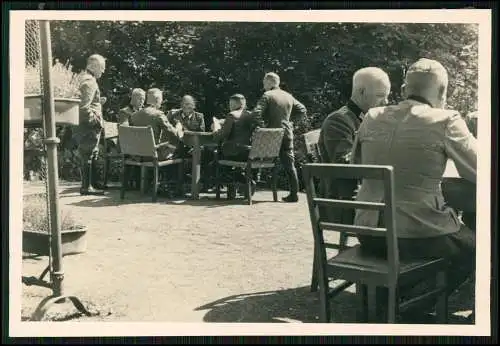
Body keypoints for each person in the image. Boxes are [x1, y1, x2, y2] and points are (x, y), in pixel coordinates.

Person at [351, 58, 477, 319]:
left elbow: (357, 166)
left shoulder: (372, 116)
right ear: (442, 92)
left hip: (369, 232)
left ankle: (391, 295)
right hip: (415, 239)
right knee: (474, 249)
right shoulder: (446, 119)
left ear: (405, 89)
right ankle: (409, 308)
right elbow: (481, 172)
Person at [318, 67, 391, 223]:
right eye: (380, 96)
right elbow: (346, 164)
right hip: (343, 202)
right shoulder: (338, 120)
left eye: (387, 96)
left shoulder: (370, 120)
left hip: (364, 197)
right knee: (408, 216)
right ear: (361, 92)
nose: (386, 102)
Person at [251, 72, 307, 202]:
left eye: (264, 82)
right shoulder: (288, 96)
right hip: (286, 133)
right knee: (289, 164)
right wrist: (291, 122)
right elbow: (302, 110)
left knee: (253, 157)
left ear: (269, 82)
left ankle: (250, 187)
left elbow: (256, 113)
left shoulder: (267, 95)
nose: (263, 85)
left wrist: (263, 125)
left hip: (270, 134)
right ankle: (294, 194)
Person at [212, 94, 260, 195]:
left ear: (233, 104)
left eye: (230, 103)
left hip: (234, 152)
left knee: (215, 154)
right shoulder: (250, 115)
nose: (229, 106)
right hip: (249, 152)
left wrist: (215, 130)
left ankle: (235, 182)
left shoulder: (232, 115)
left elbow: (222, 134)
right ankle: (240, 184)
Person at [74, 54, 107, 196]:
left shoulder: (82, 78)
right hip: (88, 126)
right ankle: (86, 187)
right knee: (88, 154)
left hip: (83, 125)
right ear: (93, 65)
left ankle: (89, 185)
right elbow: (83, 107)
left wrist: (99, 102)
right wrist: (95, 121)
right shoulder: (90, 81)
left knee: (89, 153)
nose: (103, 71)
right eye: (102, 67)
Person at [130, 88, 181, 160]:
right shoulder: (158, 114)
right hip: (153, 156)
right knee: (179, 149)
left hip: (137, 156)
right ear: (157, 99)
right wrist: (178, 127)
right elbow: (174, 134)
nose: (162, 101)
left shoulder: (134, 115)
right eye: (161, 99)